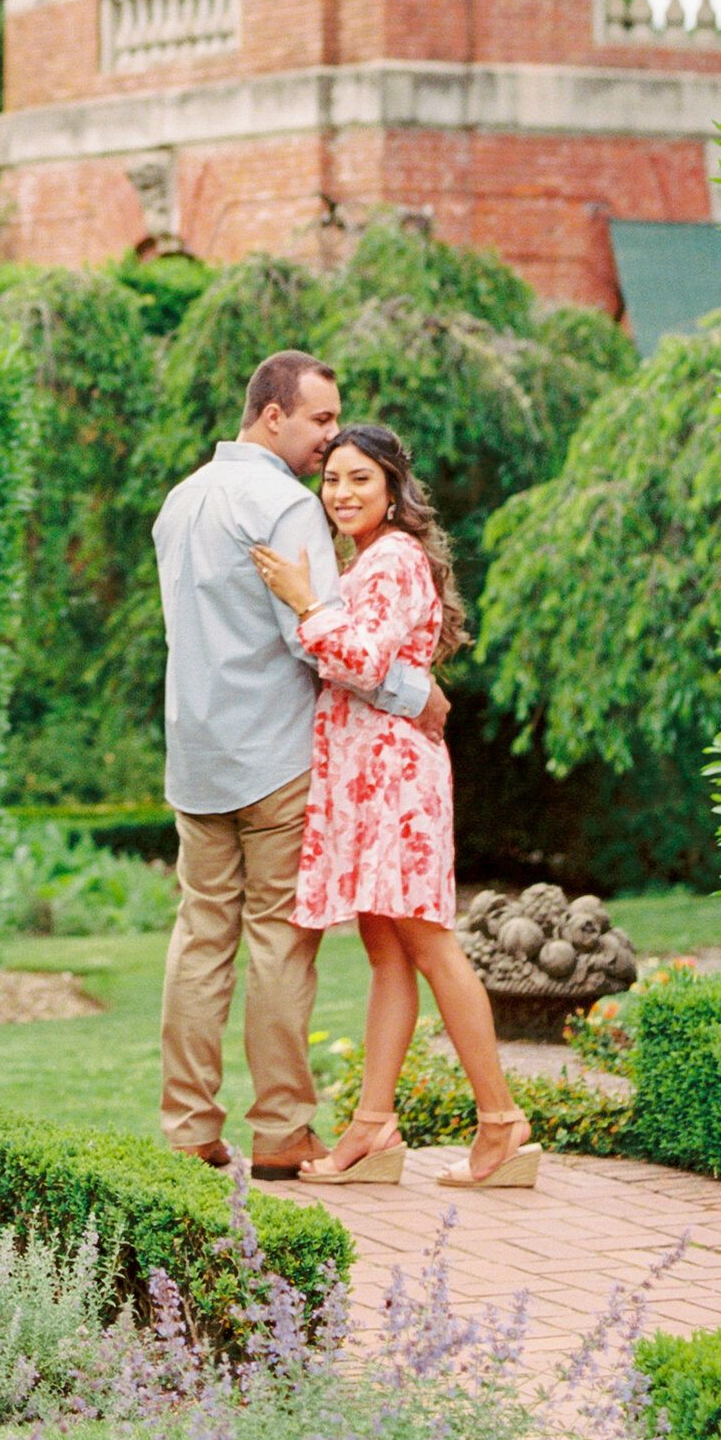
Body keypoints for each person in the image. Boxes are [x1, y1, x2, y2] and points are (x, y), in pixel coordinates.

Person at [153, 351, 449, 1176]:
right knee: (281, 944)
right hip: (277, 757)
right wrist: (414, 692)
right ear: (272, 414)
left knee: (199, 940)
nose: (329, 439)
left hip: (196, 755)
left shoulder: (178, 503)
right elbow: (320, 641)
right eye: (320, 420)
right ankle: (283, 1131)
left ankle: (188, 1130)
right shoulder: (285, 508)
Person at [251, 421, 538, 1191]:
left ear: (393, 489)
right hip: (363, 774)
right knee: (386, 954)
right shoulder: (371, 560)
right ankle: (374, 1127)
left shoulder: (393, 560)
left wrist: (305, 598)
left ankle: (502, 1123)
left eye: (360, 481)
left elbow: (359, 658)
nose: (341, 494)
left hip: (394, 780)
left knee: (431, 944)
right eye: (333, 479)